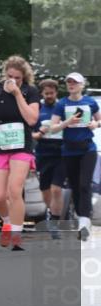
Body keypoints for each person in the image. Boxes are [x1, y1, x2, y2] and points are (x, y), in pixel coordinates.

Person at [0, 56, 40, 251]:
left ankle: (17, 236)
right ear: (5, 74)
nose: (13, 80)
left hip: (21, 146)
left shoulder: (31, 92)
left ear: (24, 77)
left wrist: (18, 93)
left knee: (14, 190)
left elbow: (31, 119)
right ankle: (7, 221)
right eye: (10, 76)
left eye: (17, 78)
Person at [46, 72, 99, 241]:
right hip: (69, 151)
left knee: (84, 185)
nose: (71, 85)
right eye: (69, 82)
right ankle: (81, 218)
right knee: (75, 187)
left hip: (87, 149)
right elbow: (53, 128)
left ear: (82, 85)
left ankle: (84, 224)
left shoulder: (90, 102)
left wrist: (94, 124)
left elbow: (99, 120)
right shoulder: (62, 104)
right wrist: (66, 123)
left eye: (75, 82)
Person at [32, 79, 65, 228]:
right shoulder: (37, 108)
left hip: (61, 152)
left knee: (56, 189)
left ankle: (55, 221)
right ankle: (52, 213)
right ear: (42, 93)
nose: (49, 96)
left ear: (56, 92)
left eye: (52, 93)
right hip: (43, 152)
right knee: (45, 189)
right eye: (46, 93)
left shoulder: (63, 106)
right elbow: (29, 132)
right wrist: (39, 134)